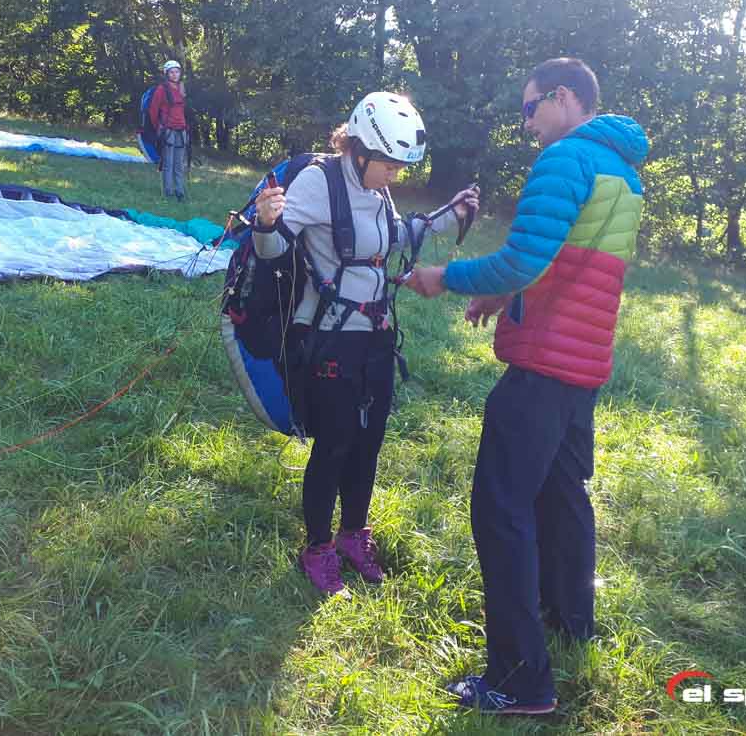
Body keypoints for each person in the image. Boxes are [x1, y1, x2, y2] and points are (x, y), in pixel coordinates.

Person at [404, 58, 649, 715]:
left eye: (529, 107)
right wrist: (505, 295)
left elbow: (523, 259)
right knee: (563, 497)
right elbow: (565, 262)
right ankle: (570, 623)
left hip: (543, 363)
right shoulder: (623, 170)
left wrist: (446, 278)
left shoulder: (565, 159)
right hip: (583, 365)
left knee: (501, 509)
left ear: (563, 97)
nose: (527, 122)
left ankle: (519, 680)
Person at [253, 92, 479, 596]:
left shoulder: (378, 191)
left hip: (377, 335)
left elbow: (391, 236)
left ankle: (354, 535)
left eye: (400, 166)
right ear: (359, 150)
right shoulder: (321, 182)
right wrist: (266, 223)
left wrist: (451, 213)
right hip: (331, 337)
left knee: (368, 443)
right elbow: (272, 249)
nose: (395, 175)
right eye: (389, 164)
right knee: (334, 445)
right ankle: (317, 549)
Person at [148, 59, 188, 200]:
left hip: (181, 129)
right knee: (168, 163)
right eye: (172, 72)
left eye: (177, 72)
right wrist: (157, 128)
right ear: (167, 74)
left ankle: (180, 191)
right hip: (167, 130)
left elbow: (183, 109)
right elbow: (153, 110)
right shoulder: (161, 89)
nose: (175, 74)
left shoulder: (181, 88)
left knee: (179, 164)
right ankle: (168, 191)